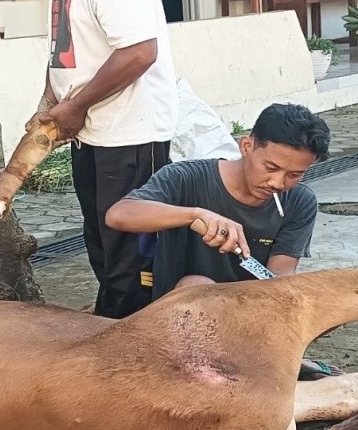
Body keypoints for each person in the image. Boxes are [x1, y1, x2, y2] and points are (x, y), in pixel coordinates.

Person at [0, 0, 178, 319]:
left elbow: (139, 52)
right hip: (91, 131)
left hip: (130, 132)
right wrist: (50, 101)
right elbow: (64, 47)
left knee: (131, 253)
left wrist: (75, 106)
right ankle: (111, 322)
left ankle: (133, 331)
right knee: (100, 239)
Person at [105, 104, 338, 379]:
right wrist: (195, 215)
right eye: (270, 167)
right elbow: (118, 215)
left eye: (294, 175)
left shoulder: (299, 201)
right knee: (198, 286)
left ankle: (267, 357)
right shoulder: (185, 178)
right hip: (182, 313)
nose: (277, 182)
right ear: (246, 146)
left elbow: (281, 273)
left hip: (250, 314)